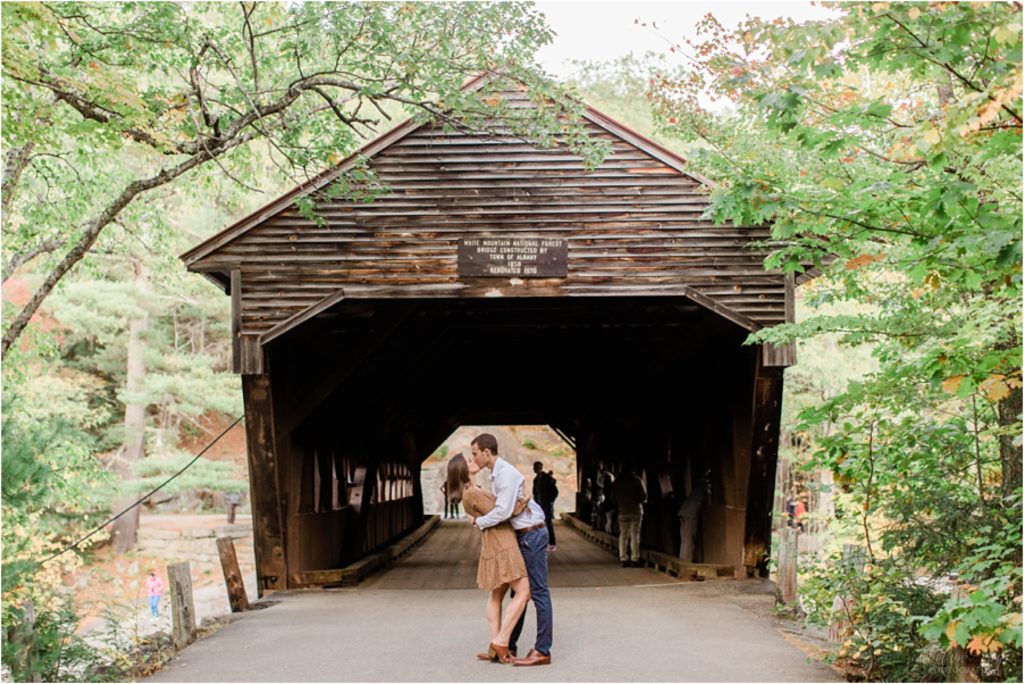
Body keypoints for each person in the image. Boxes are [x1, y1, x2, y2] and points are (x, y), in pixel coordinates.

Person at [470, 433, 553, 667]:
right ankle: (506, 644)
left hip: (532, 534)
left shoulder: (504, 474)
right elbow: (508, 508)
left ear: (487, 452)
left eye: (475, 453)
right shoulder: (498, 473)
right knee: (519, 593)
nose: (473, 457)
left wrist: (480, 522)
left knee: (538, 593)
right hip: (524, 534)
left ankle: (542, 650)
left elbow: (503, 511)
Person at [447, 453, 531, 664]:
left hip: (494, 543)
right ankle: (501, 642)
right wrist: (523, 501)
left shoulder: (474, 491)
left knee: (497, 595)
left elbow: (493, 513)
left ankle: (494, 645)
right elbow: (503, 512)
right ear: (462, 470)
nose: (472, 460)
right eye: (468, 460)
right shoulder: (473, 493)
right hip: (503, 544)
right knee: (524, 592)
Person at [613, 464, 647, 567]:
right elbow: (643, 496)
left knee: (623, 535)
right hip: (635, 511)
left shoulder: (617, 482)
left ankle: (623, 558)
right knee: (634, 535)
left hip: (622, 511)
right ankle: (634, 558)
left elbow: (612, 497)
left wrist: (619, 504)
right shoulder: (637, 480)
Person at [678, 472, 711, 562]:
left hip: (683, 512)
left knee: (684, 539)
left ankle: (681, 560)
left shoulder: (698, 485)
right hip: (691, 514)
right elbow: (709, 500)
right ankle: (686, 562)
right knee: (689, 539)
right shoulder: (706, 486)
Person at [532, 461, 558, 551]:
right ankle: (543, 544)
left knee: (548, 524)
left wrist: (551, 501)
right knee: (540, 525)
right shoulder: (535, 480)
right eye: (534, 467)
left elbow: (555, 491)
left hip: (547, 505)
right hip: (539, 505)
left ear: (540, 468)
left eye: (535, 467)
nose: (533, 469)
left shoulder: (547, 478)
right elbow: (535, 493)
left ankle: (552, 543)